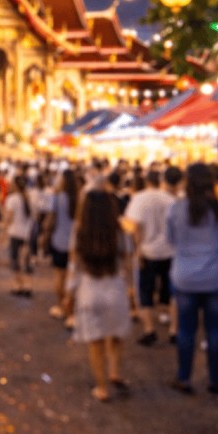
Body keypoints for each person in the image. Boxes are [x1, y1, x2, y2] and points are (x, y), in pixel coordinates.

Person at [166, 162, 218, 396]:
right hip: (216, 277)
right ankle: (215, 379)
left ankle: (184, 377)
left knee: (186, 330)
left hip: (184, 278)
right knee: (215, 330)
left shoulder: (176, 209)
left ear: (187, 182)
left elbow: (171, 240)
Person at [64, 190, 133, 403]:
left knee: (96, 342)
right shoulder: (119, 231)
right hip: (115, 287)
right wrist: (132, 289)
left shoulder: (80, 231)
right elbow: (127, 262)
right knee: (116, 334)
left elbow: (73, 266)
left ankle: (102, 388)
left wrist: (69, 294)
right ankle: (115, 372)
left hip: (89, 290)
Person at [124, 168, 178, 346]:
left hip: (147, 251)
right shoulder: (170, 199)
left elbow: (134, 227)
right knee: (171, 292)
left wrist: (137, 250)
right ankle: (174, 330)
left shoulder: (139, 198)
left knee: (145, 293)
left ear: (147, 182)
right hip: (170, 251)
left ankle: (149, 330)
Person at [40, 167, 81, 324]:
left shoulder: (57, 197)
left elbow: (50, 219)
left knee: (59, 275)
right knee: (74, 277)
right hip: (76, 243)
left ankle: (63, 308)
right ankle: (72, 311)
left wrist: (44, 235)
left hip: (59, 241)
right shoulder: (80, 197)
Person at [1, 174, 37, 297]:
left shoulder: (12, 199)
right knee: (26, 260)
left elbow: (9, 218)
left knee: (15, 260)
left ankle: (19, 285)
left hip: (15, 232)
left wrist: (3, 233)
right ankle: (28, 285)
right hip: (27, 233)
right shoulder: (30, 197)